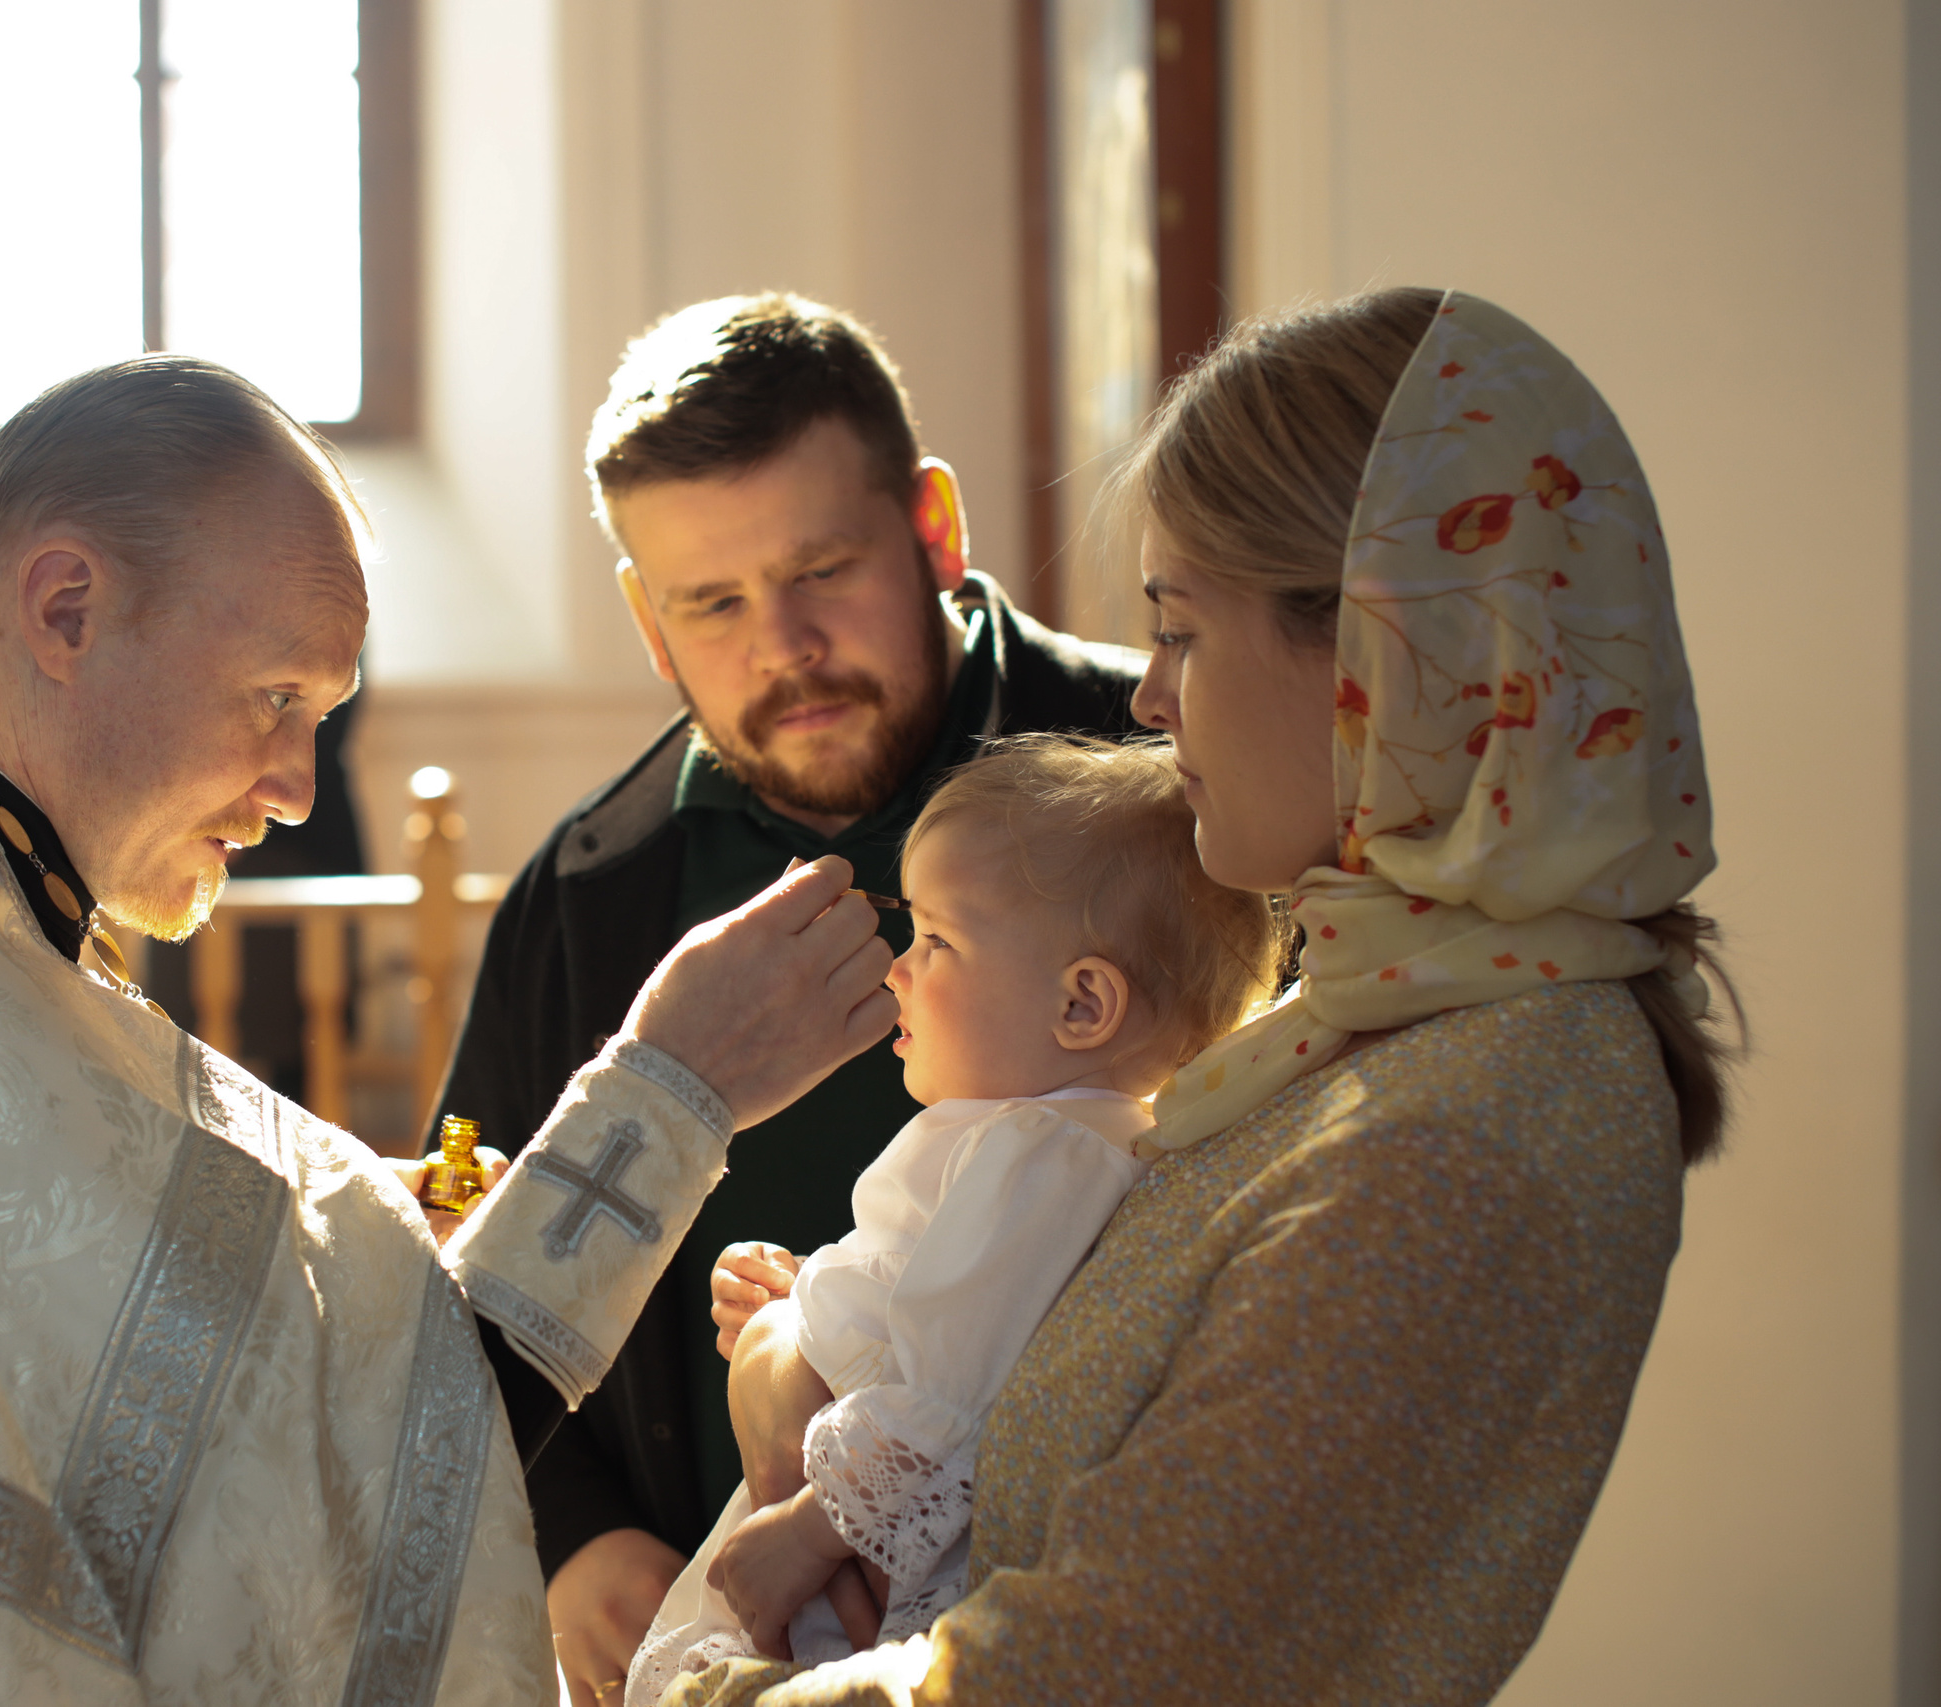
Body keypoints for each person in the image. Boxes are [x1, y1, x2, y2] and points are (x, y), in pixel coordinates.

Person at [0, 356, 899, 1706]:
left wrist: (350, 1255)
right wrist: (674, 1086)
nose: (303, 785)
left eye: (321, 714)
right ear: (67, 606)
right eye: (276, 695)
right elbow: (345, 1511)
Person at [666, 287, 1738, 1706]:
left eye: (1182, 631)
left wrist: (688, 1688)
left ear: (1379, 650)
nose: (1155, 700)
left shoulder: (1460, 1133)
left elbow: (1088, 1674)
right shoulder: (1397, 1012)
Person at [429, 293, 1147, 1702]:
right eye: (711, 601)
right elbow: (479, 1241)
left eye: (825, 565)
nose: (786, 642)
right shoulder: (588, 889)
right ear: (648, 619)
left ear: (934, 528)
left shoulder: (1158, 775)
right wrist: (576, 1530)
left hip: (1092, 1622)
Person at [623, 737, 1277, 1704]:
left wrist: (810, 1528)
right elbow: (950, 1316)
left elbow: (955, 1392)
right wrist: (815, 1294)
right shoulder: (1037, 1143)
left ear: (1082, 1001)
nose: (899, 972)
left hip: (861, 1554)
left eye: (938, 942)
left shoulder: (1045, 1150)